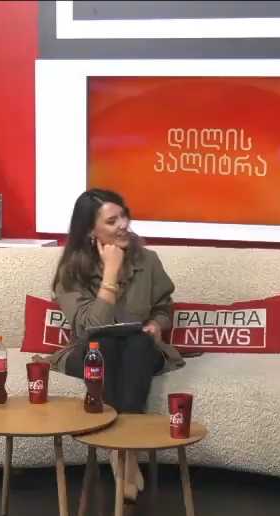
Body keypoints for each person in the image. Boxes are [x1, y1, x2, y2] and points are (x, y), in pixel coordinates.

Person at [46, 189, 185, 499]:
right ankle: (124, 453)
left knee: (138, 343)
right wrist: (110, 272)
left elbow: (164, 307)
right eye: (112, 221)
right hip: (92, 352)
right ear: (90, 230)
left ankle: (125, 452)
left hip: (140, 350)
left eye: (124, 216)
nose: (123, 224)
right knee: (104, 344)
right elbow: (89, 328)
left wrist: (156, 325)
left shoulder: (148, 260)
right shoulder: (71, 271)